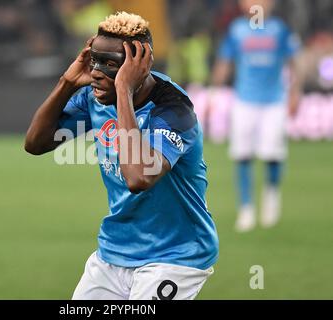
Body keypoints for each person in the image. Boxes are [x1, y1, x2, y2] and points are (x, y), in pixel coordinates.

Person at [25, 12, 218, 300]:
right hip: (114, 251)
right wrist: (67, 81)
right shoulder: (97, 95)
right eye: (95, 61)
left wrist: (124, 91)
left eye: (111, 64)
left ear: (140, 66)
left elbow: (138, 178)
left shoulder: (174, 110)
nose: (98, 73)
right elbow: (36, 143)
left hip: (175, 255)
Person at [210, 0, 301, 232]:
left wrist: (294, 93)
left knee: (272, 154)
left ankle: (271, 195)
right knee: (242, 155)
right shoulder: (236, 30)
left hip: (273, 101)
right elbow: (225, 62)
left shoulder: (279, 29)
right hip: (244, 100)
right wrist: (212, 93)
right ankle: (246, 209)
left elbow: (294, 63)